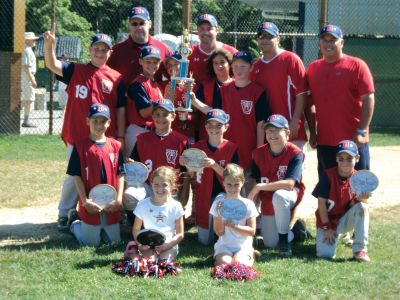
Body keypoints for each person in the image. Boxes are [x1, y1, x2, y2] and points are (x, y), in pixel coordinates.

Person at [43, 29, 126, 231]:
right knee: (74, 176)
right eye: (96, 48)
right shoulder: (75, 70)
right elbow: (52, 64)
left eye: (104, 49)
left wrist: (121, 136)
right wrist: (48, 46)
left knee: (105, 175)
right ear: (90, 50)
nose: (100, 52)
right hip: (77, 134)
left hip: (104, 138)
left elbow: (120, 109)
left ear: (110, 53)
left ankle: (110, 211)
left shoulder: (116, 77)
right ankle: (65, 212)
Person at [307, 24, 375, 178]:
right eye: (325, 40)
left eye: (333, 40)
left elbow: (368, 98)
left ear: (342, 43)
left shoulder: (357, 65)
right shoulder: (313, 68)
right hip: (325, 141)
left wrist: (361, 131)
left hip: (354, 140)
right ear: (320, 43)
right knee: (328, 190)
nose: (328, 44)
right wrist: (313, 131)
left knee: (359, 186)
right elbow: (309, 103)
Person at [191, 51, 269, 173]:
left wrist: (259, 150)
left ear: (251, 67)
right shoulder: (223, 90)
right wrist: (195, 102)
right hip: (226, 148)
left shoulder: (258, 91)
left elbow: (261, 124)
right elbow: (215, 113)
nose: (239, 69)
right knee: (227, 182)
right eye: (236, 66)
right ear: (231, 66)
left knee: (246, 184)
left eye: (243, 66)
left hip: (248, 147)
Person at [248, 114, 305, 258]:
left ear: (287, 133)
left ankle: (285, 243)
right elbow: (255, 184)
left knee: (280, 195)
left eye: (276, 130)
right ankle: (297, 232)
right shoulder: (258, 153)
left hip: (289, 195)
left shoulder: (295, 153)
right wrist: (252, 208)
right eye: (269, 130)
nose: (272, 134)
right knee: (270, 243)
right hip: (268, 198)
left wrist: (260, 187)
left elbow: (290, 184)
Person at [179, 109, 238, 245]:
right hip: (203, 196)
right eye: (210, 125)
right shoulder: (196, 147)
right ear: (205, 127)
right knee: (204, 241)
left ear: (226, 127)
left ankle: (224, 236)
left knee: (220, 201)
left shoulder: (232, 148)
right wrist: (186, 165)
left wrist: (214, 165)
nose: (214, 129)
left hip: (224, 195)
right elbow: (191, 175)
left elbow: (235, 179)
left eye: (218, 125)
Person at [68, 103, 124, 247]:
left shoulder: (115, 146)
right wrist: (85, 201)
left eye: (103, 121)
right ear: (88, 121)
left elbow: (120, 174)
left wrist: (118, 200)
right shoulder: (80, 146)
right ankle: (75, 224)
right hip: (90, 204)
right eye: (95, 121)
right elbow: (76, 176)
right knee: (90, 243)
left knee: (114, 242)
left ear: (109, 122)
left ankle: (104, 228)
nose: (99, 125)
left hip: (110, 203)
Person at [250, 21, 308, 152]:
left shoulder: (290, 59)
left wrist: (295, 121)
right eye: (261, 36)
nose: (264, 39)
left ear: (278, 39)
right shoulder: (256, 66)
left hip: (289, 130)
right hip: (268, 132)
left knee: (293, 171)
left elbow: (302, 93)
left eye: (269, 36)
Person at [312, 140, 371, 262]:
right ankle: (338, 234)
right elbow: (321, 203)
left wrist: (364, 197)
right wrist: (327, 227)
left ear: (357, 158)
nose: (345, 162)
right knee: (325, 254)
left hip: (345, 220)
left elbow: (360, 208)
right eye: (341, 158)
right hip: (328, 221)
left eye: (349, 159)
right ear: (336, 159)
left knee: (363, 208)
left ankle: (360, 249)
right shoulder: (328, 175)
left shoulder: (359, 178)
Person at [130, 99, 189, 208]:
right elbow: (134, 165)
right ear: (152, 116)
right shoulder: (142, 139)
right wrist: (130, 164)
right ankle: (137, 222)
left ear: (173, 116)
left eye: (165, 114)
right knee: (130, 196)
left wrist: (184, 196)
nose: (161, 118)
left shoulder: (182, 141)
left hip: (171, 189)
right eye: (157, 114)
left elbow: (186, 173)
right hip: (147, 186)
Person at [107, 6, 171, 85]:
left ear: (150, 24)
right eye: (134, 24)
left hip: (154, 96)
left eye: (142, 23)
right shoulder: (117, 50)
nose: (138, 27)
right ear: (129, 25)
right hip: (125, 96)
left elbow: (171, 75)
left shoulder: (162, 49)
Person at [210, 164, 258, 266]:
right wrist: (219, 215)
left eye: (236, 184)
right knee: (225, 264)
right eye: (229, 184)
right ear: (223, 183)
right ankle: (220, 257)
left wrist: (234, 226)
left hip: (243, 245)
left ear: (243, 183)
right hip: (224, 245)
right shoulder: (218, 204)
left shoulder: (248, 204)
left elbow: (252, 231)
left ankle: (250, 255)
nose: (232, 188)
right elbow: (219, 233)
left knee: (238, 264)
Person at [132, 166, 184, 260]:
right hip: (148, 244)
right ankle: (132, 250)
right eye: (156, 184)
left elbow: (180, 234)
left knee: (164, 263)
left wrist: (168, 245)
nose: (160, 188)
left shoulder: (176, 206)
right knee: (148, 262)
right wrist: (140, 244)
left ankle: (133, 252)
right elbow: (136, 229)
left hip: (169, 244)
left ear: (172, 185)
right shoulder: (143, 205)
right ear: (151, 184)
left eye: (164, 185)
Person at [124, 45, 163, 159]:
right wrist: (162, 102)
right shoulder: (138, 84)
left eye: (155, 62)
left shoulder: (154, 83)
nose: (152, 65)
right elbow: (144, 113)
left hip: (152, 131)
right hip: (138, 131)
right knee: (133, 170)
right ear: (140, 61)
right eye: (148, 61)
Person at [189, 13, 237, 88]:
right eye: (202, 29)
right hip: (195, 97)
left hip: (224, 96)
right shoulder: (189, 53)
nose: (205, 32)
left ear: (217, 30)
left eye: (209, 28)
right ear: (197, 31)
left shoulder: (232, 52)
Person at [195, 48, 233, 141]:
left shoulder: (238, 85)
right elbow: (195, 110)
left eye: (222, 62)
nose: (219, 66)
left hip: (231, 134)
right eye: (215, 63)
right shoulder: (205, 85)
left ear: (230, 64)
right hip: (208, 135)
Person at [162, 51, 196, 144]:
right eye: (169, 65)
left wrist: (188, 116)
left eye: (176, 64)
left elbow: (198, 115)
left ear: (183, 65)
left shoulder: (191, 85)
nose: (172, 67)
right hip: (171, 133)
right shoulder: (165, 86)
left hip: (187, 134)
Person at [21, 32, 39, 128]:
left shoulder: (27, 49)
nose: (34, 40)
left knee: (27, 99)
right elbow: (26, 67)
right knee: (29, 99)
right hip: (27, 77)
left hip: (27, 76)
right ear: (27, 40)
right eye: (33, 39)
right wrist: (32, 80)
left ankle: (26, 120)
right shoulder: (27, 50)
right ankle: (26, 121)